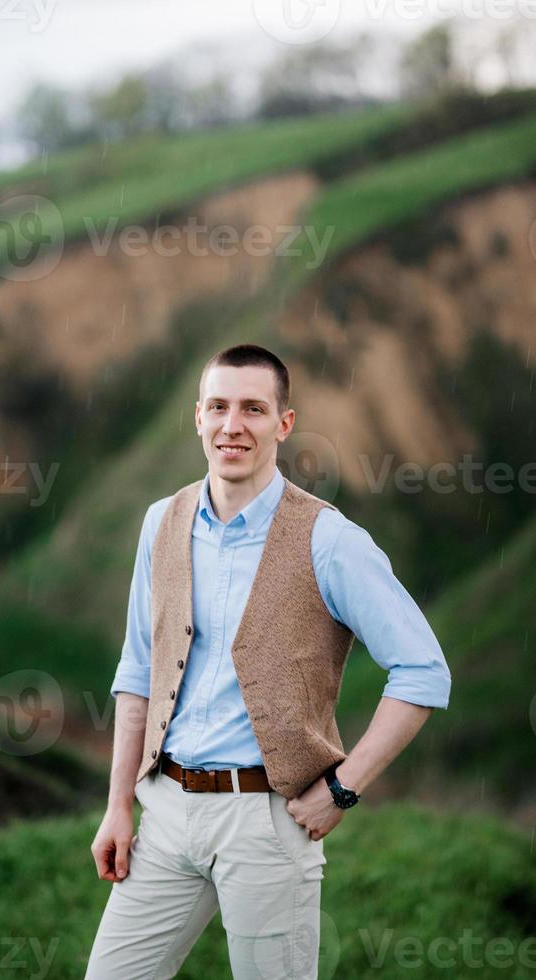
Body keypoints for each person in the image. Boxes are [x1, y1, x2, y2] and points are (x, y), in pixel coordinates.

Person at [84, 343, 451, 979]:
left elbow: (423, 671)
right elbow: (138, 670)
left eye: (253, 409)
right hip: (164, 811)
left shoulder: (330, 539)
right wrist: (119, 805)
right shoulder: (161, 523)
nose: (234, 425)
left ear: (283, 423)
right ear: (197, 417)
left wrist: (343, 788)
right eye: (219, 407)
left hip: (266, 823)